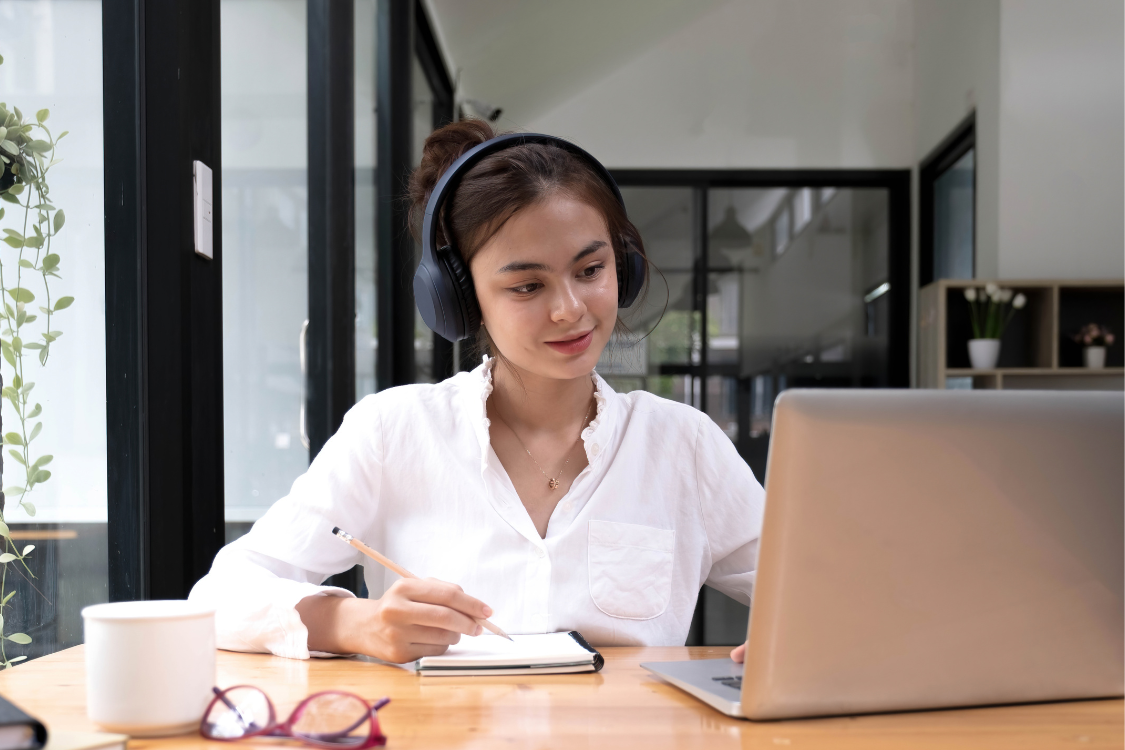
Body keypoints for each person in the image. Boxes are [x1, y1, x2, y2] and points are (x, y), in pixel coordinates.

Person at [189, 120, 764, 664]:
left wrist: (795, 639)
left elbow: (827, 597)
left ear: (625, 266)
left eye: (590, 270)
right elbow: (218, 598)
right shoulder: (394, 432)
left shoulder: (682, 445)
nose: (570, 309)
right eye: (528, 285)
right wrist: (355, 624)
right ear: (460, 300)